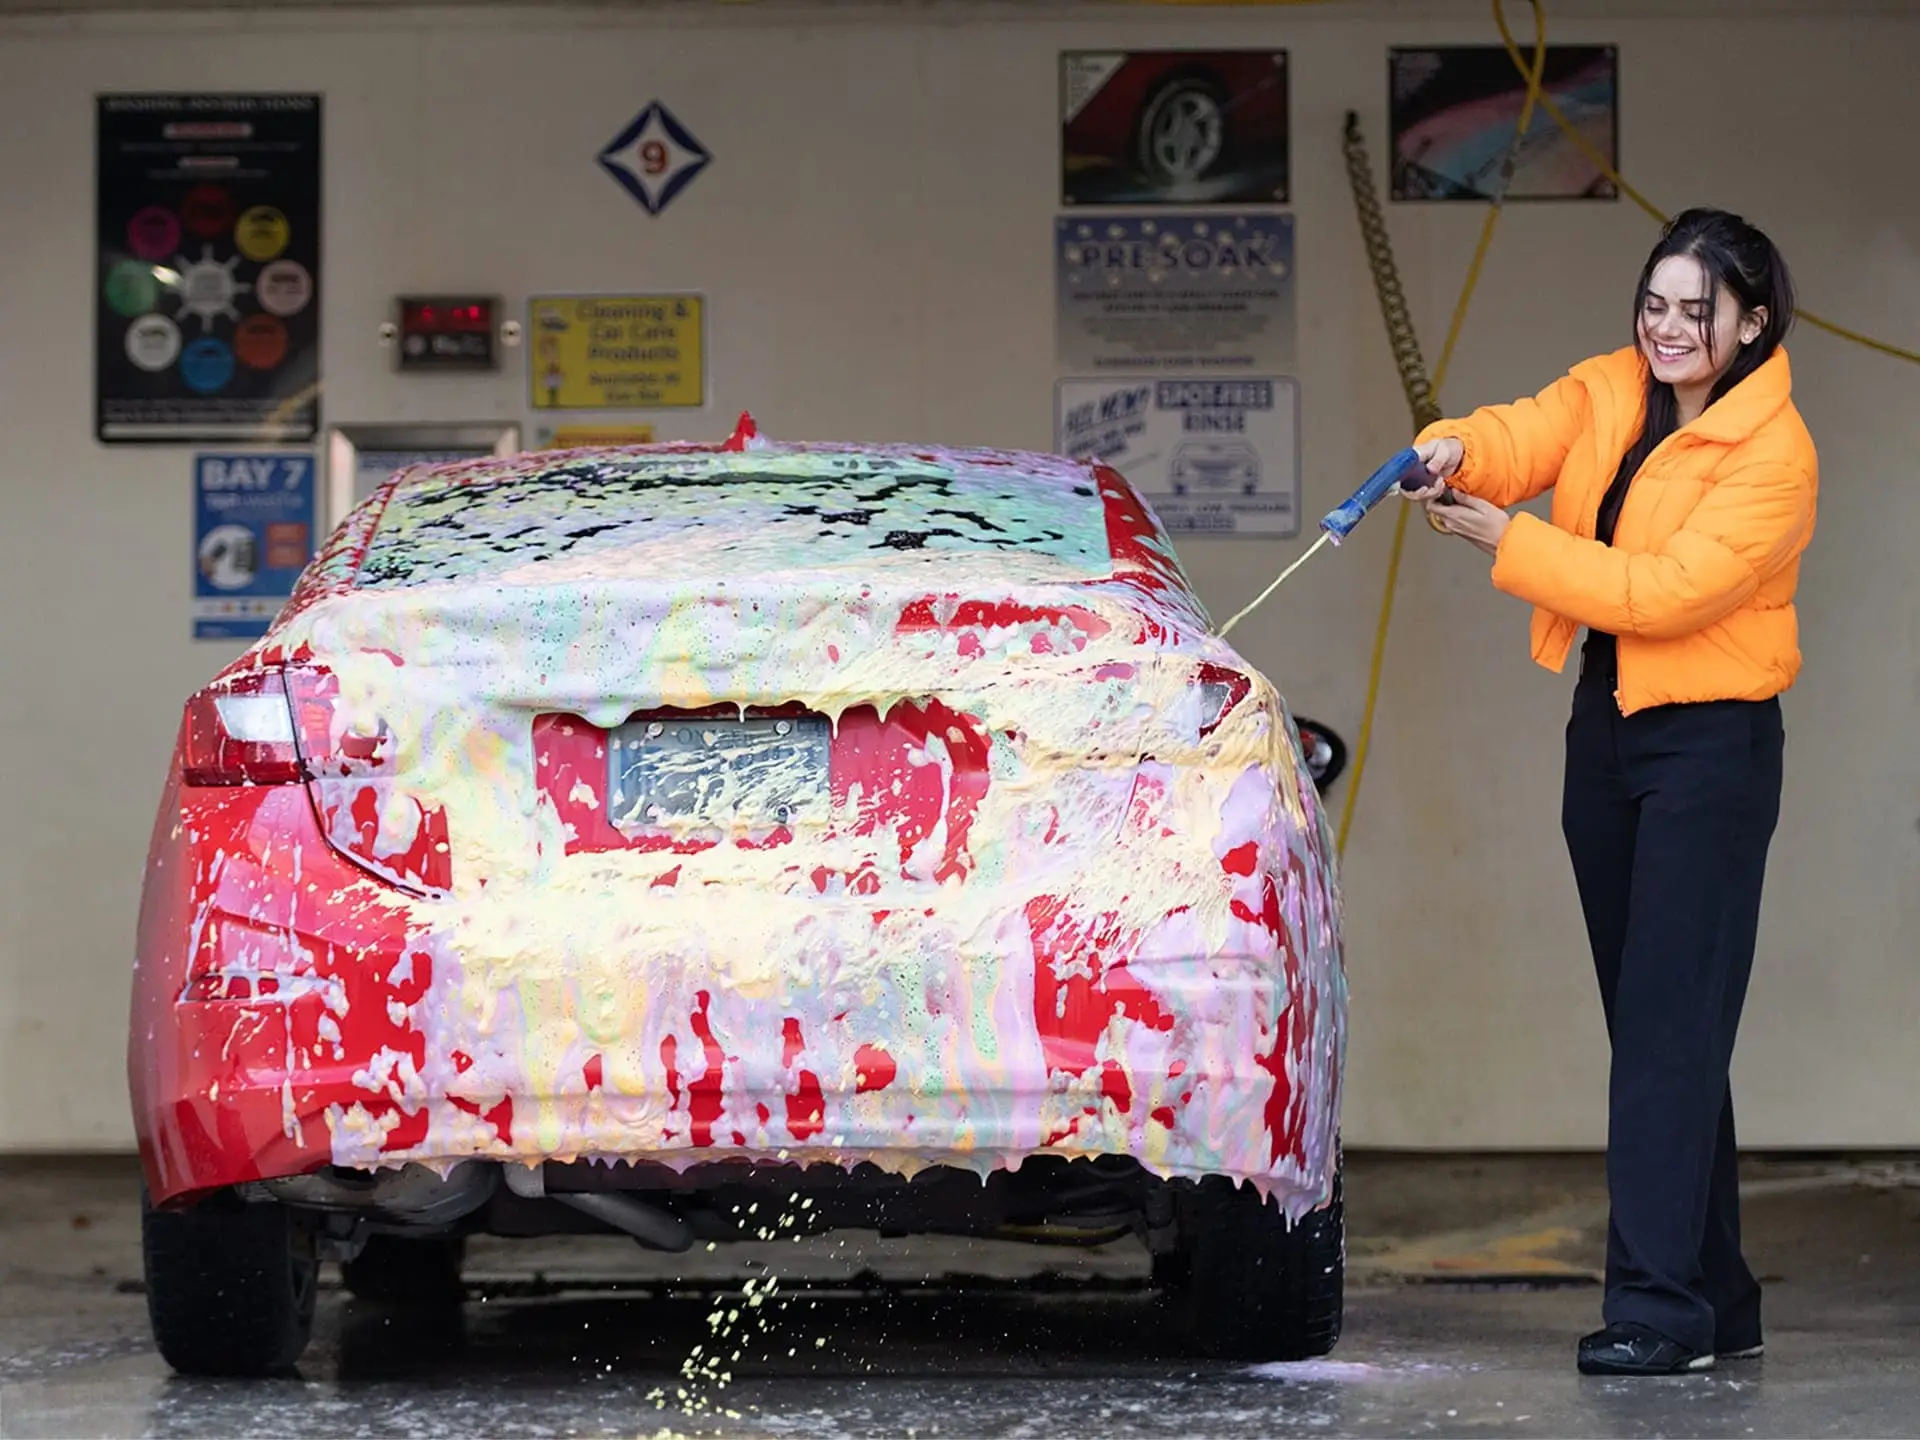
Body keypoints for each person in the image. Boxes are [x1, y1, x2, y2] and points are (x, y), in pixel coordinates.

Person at [1404, 207, 1817, 1377]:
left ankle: (1658, 1311)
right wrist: (1451, 452)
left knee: (1665, 1034)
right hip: (1611, 730)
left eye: (1699, 310)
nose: (1670, 328)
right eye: (1656, 302)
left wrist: (1505, 540)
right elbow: (1517, 434)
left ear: (1752, 321)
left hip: (1713, 747)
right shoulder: (1610, 389)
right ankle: (1719, 1296)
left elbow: (1662, 593)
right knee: (1660, 1029)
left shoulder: (1775, 455)